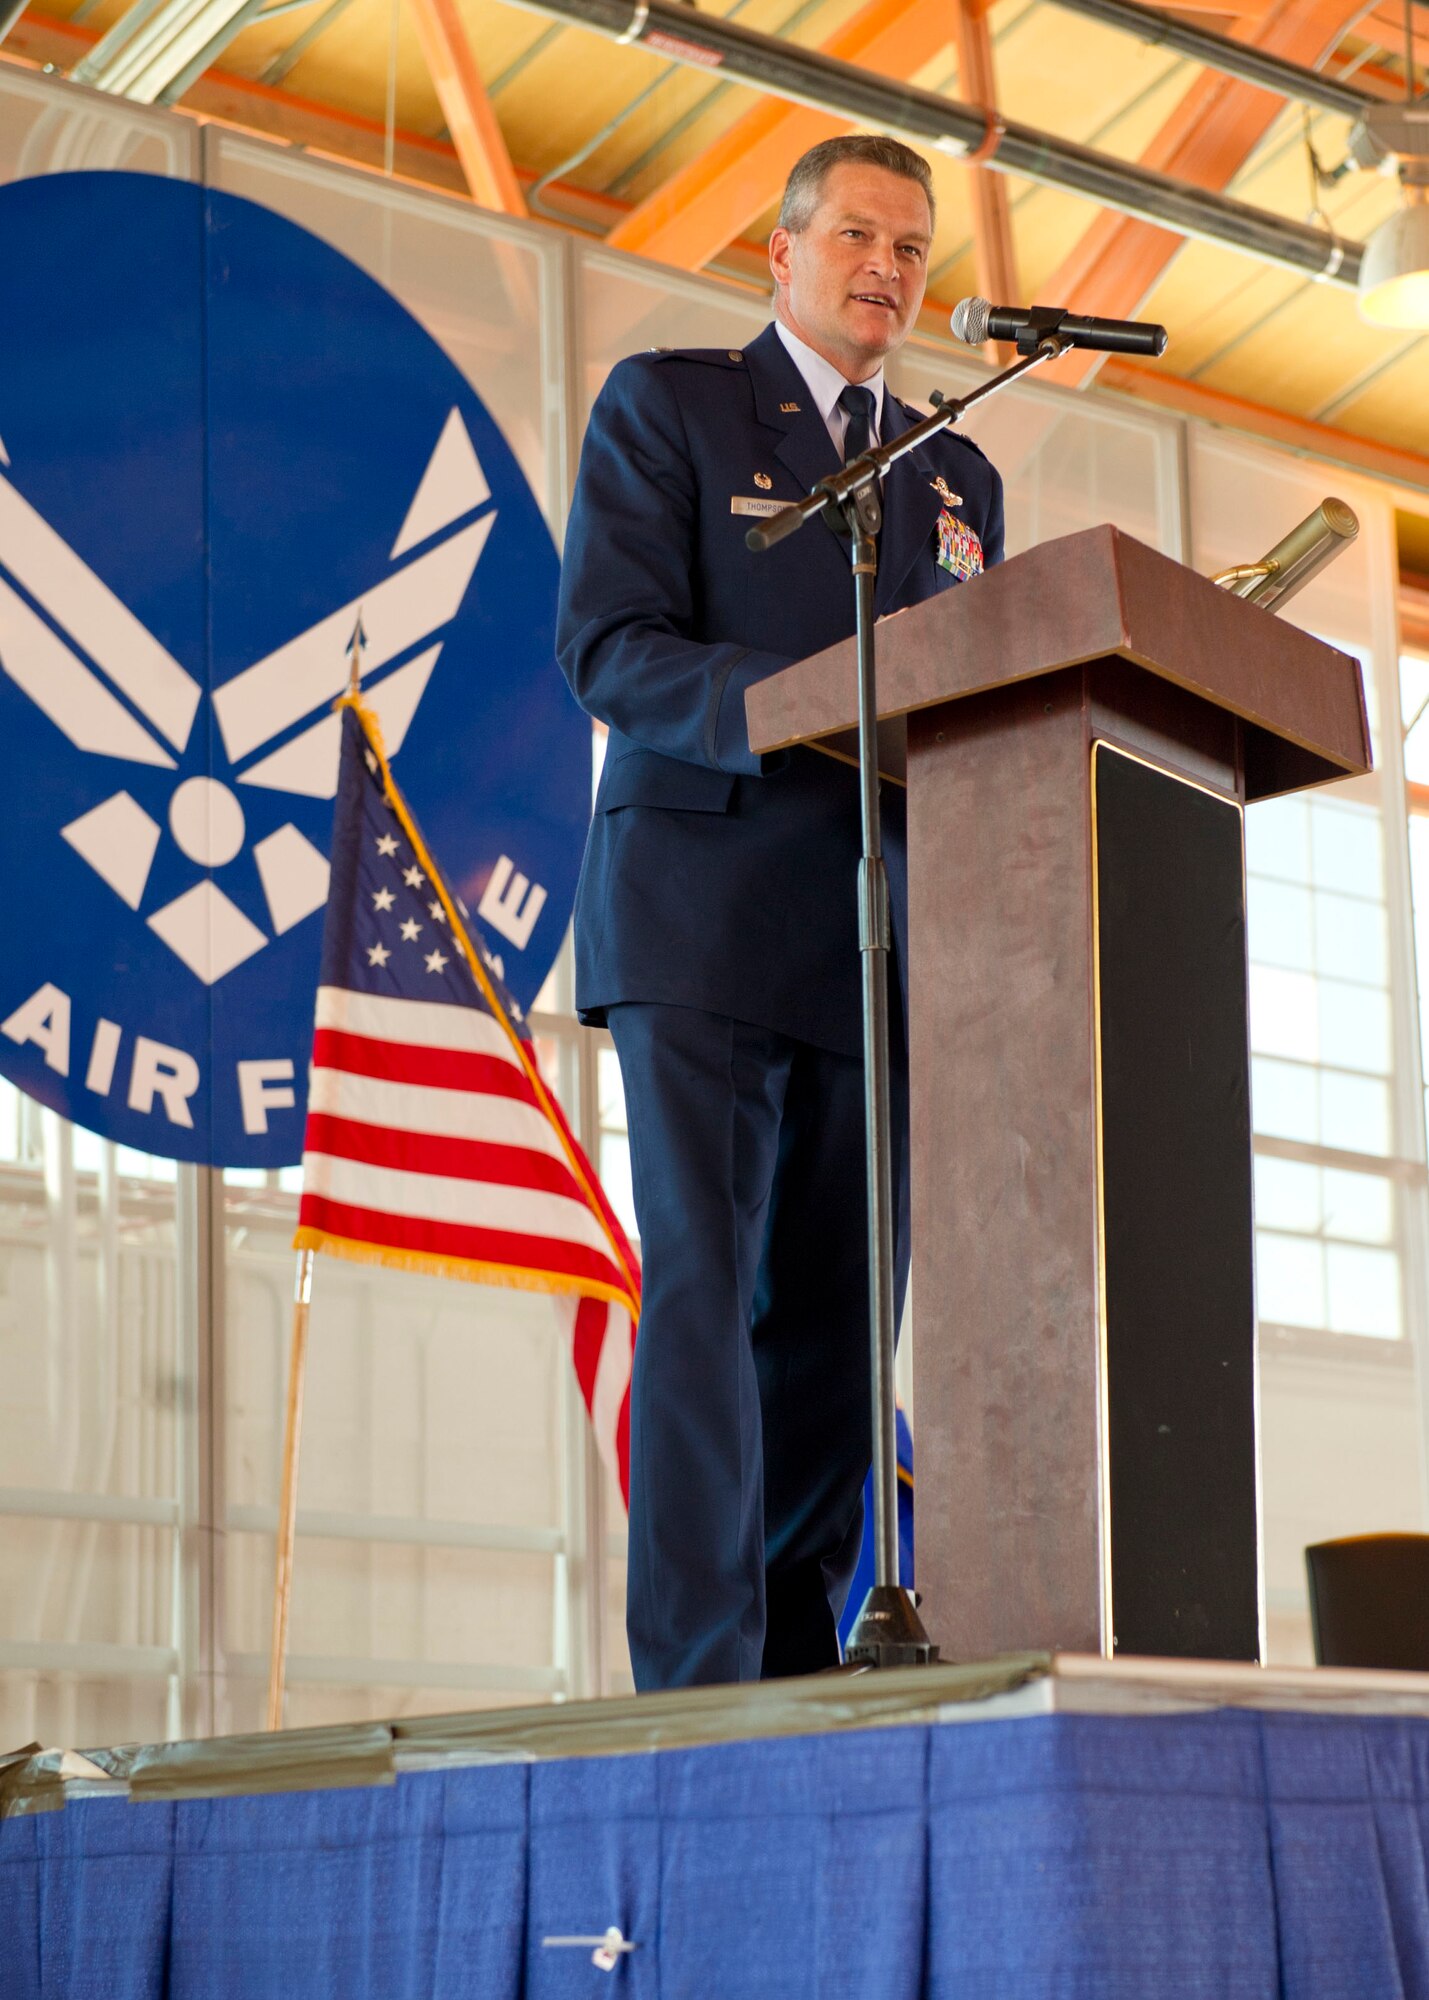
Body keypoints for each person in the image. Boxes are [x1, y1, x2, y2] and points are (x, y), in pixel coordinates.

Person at [557, 134, 1005, 1691]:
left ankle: (795, 1672)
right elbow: (610, 649)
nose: (888, 269)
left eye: (912, 250)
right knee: (702, 1305)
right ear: (782, 251)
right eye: (861, 238)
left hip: (878, 941)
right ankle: (694, 1679)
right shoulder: (673, 405)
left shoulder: (957, 475)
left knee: (829, 1331)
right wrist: (804, 704)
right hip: (701, 920)